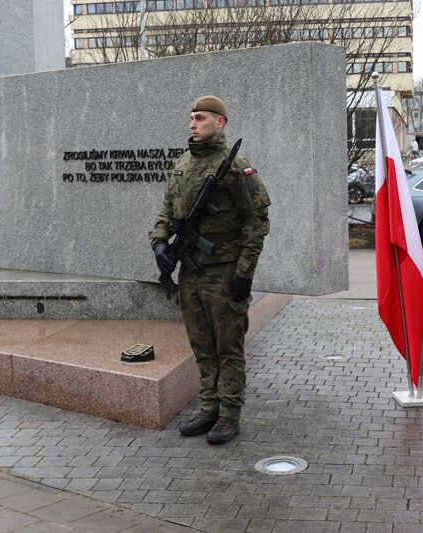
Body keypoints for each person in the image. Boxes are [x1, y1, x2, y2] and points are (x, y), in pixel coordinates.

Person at [149, 96, 270, 445]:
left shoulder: (235, 168)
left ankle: (229, 414)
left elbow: (257, 221)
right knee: (201, 344)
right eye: (191, 118)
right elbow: (165, 210)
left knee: (228, 347)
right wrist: (159, 243)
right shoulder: (182, 164)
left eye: (200, 118)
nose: (192, 124)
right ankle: (209, 407)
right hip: (190, 274)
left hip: (224, 271)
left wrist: (244, 273)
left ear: (219, 123)